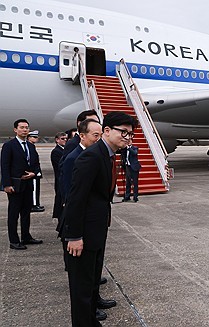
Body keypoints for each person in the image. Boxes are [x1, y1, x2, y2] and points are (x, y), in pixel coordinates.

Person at [61, 112, 135, 326]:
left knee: (92, 282)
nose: (127, 137)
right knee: (82, 288)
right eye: (123, 132)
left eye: (130, 134)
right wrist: (74, 235)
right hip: (82, 233)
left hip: (96, 229)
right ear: (107, 131)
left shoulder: (108, 154)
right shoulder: (91, 156)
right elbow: (75, 198)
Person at [1, 119, 43, 250]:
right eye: (22, 127)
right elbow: (4, 166)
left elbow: (36, 163)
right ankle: (14, 240)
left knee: (26, 212)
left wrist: (34, 173)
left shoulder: (31, 146)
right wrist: (6, 185)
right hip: (15, 185)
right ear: (15, 130)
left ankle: (26, 236)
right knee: (13, 214)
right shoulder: (9, 145)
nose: (25, 130)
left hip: (28, 184)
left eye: (26, 128)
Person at [50, 132, 67, 219]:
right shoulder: (56, 152)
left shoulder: (64, 150)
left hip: (63, 180)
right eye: (62, 139)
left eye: (66, 139)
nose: (65, 140)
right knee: (60, 201)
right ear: (57, 140)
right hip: (60, 180)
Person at [27, 130, 44, 212]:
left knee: (35, 189)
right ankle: (34, 205)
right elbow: (33, 161)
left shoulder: (31, 146)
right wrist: (35, 171)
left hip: (35, 171)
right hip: (33, 172)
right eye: (34, 137)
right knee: (34, 189)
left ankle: (36, 203)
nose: (36, 139)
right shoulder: (30, 146)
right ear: (29, 138)